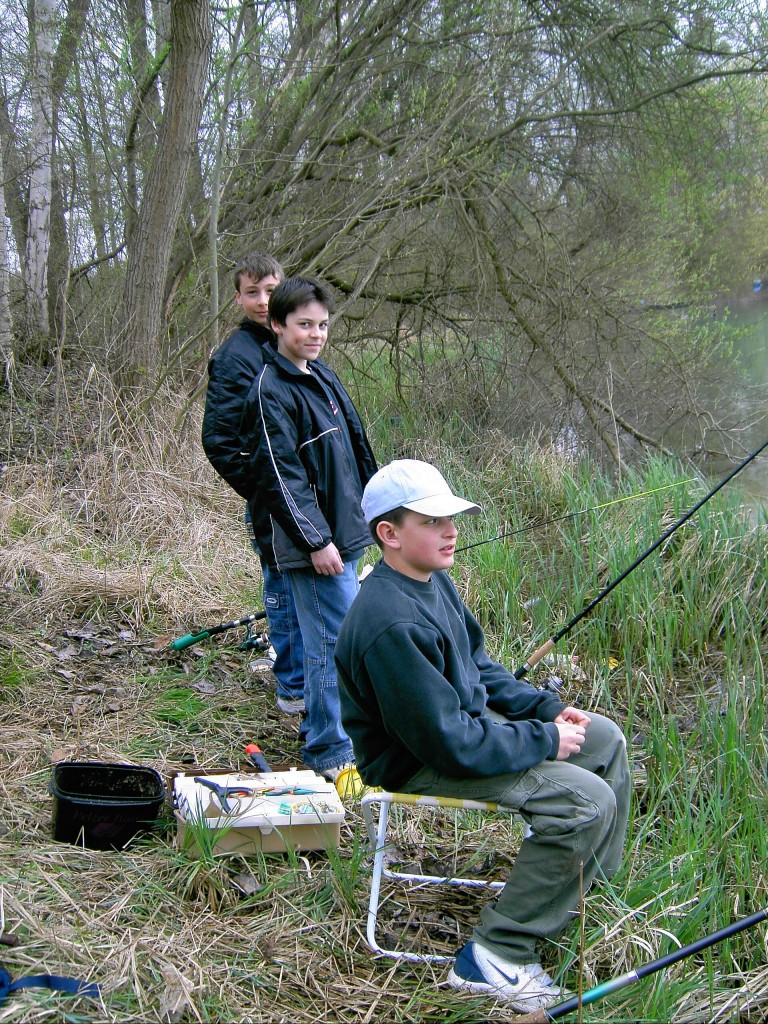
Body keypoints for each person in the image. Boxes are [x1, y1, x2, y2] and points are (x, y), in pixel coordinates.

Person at [334, 459, 631, 1012]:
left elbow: (480, 668)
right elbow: (451, 746)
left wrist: (547, 709)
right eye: (432, 521)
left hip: (459, 731)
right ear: (389, 534)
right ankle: (496, 955)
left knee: (604, 738)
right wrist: (543, 739)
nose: (451, 531)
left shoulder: (431, 580)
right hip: (417, 761)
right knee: (585, 802)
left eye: (451, 518)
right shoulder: (390, 622)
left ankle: (581, 892)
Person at [246, 276, 378, 781]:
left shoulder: (320, 375)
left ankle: (348, 732)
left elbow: (355, 447)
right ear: (278, 325)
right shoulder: (270, 390)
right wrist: (316, 541)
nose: (316, 334)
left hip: (347, 533)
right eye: (304, 325)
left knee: (343, 639)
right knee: (330, 645)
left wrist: (377, 509)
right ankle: (329, 749)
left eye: (322, 325)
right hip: (316, 546)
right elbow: (280, 476)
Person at [202, 252, 305, 716]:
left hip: (305, 497)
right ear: (238, 298)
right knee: (283, 589)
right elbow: (220, 441)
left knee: (310, 589)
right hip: (272, 500)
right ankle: (293, 688)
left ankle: (312, 676)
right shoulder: (234, 357)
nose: (263, 301)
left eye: (271, 290)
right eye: (252, 292)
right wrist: (265, 490)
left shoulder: (292, 342)